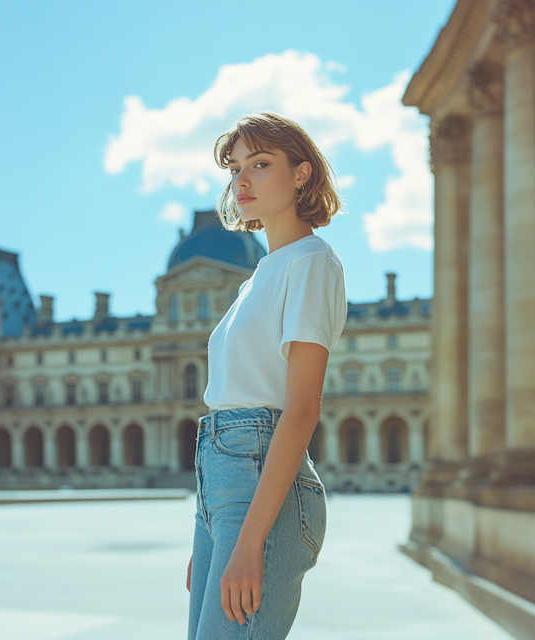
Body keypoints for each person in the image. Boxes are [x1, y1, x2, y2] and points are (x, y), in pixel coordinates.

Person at [186, 111, 347, 640]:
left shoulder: (311, 261)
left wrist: (251, 539)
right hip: (225, 480)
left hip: (261, 483)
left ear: (302, 174)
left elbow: (300, 411)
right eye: (234, 168)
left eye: (260, 163)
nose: (242, 180)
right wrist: (208, 535)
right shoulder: (257, 277)